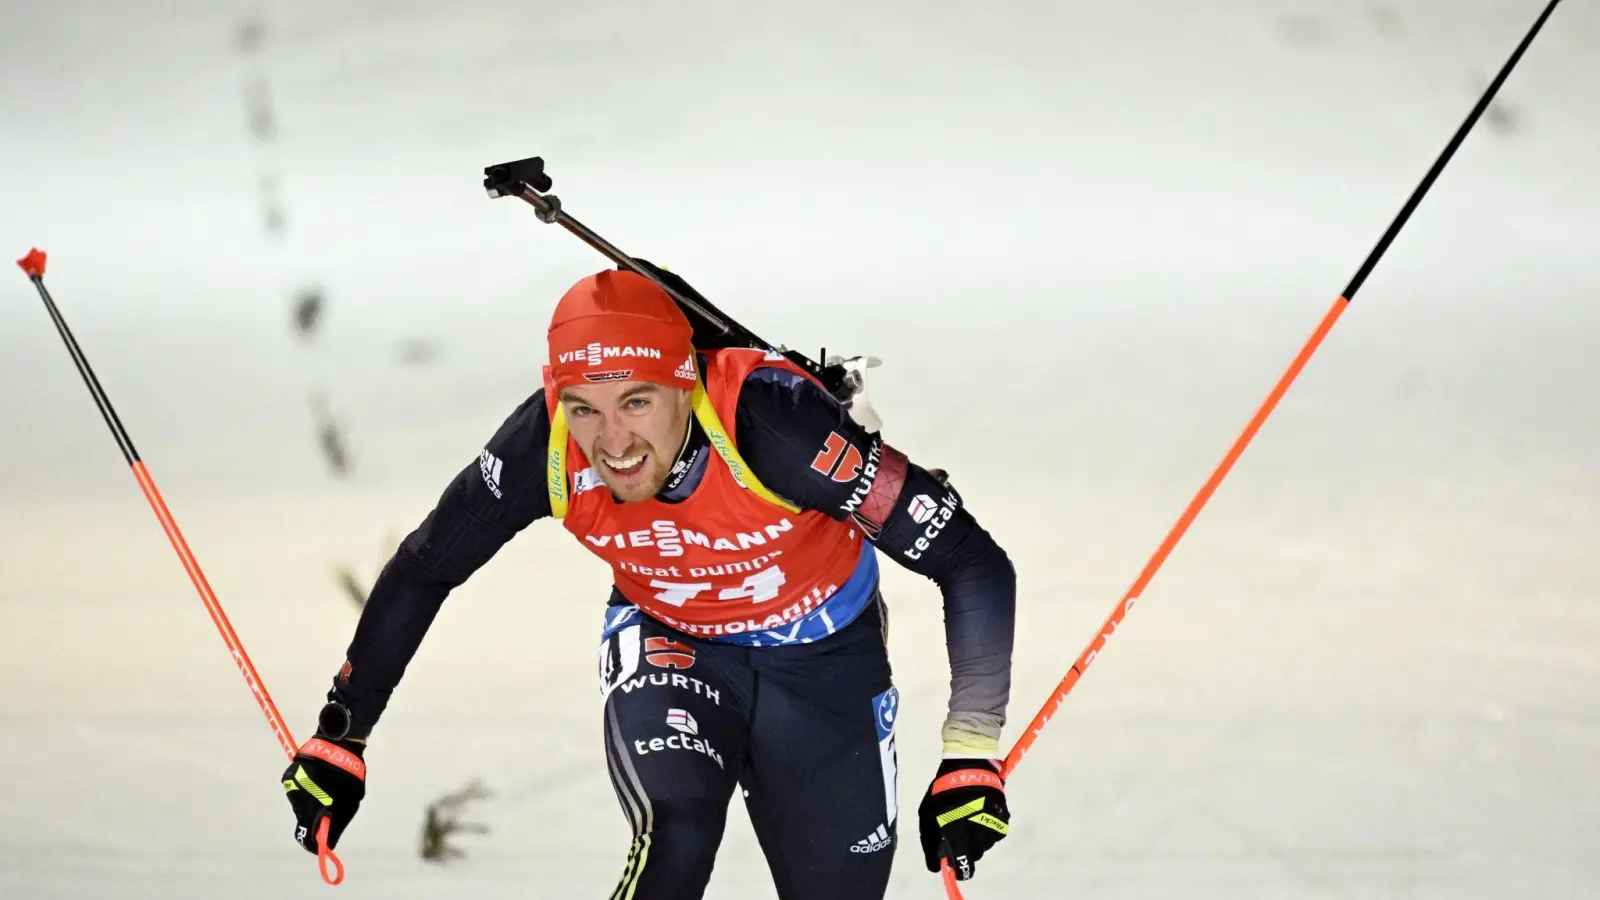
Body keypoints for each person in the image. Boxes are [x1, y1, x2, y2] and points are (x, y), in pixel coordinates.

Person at [278, 265, 1020, 898]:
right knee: (676, 832)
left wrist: (969, 754)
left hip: (824, 657)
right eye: (583, 408)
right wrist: (342, 732)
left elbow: (970, 561)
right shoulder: (544, 447)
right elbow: (427, 565)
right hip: (675, 644)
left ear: (683, 382)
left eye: (636, 401)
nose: (612, 442)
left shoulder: (776, 428)